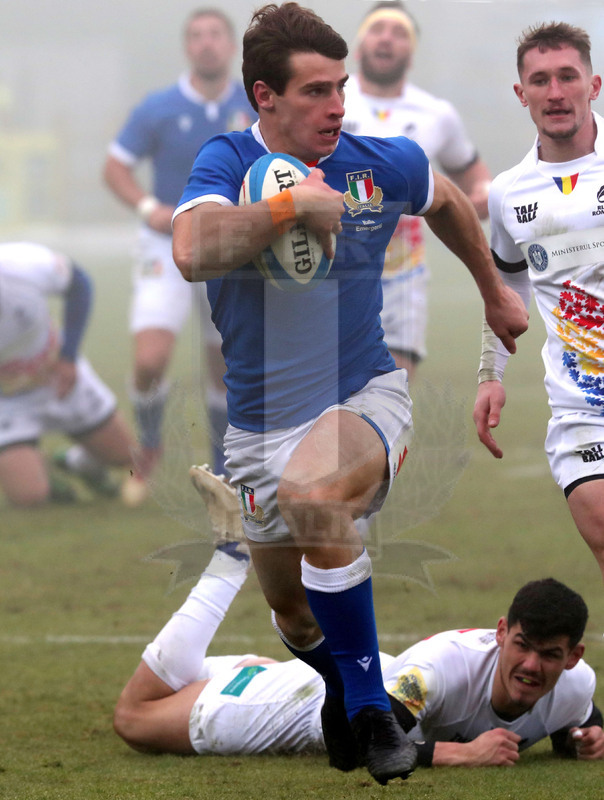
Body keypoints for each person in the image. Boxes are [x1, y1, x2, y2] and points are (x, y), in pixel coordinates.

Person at [171, 2, 528, 785]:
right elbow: (193, 250)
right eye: (314, 92)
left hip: (366, 395)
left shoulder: (377, 162)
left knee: (317, 492)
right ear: (265, 97)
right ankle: (345, 689)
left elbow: (444, 200)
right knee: (292, 611)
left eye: (340, 87)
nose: (337, 106)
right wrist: (289, 207)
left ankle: (371, 711)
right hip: (257, 430)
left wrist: (494, 290)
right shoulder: (227, 162)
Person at [114, 496, 604, 766]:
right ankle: (231, 552)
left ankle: (238, 556)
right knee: (134, 717)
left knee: (177, 684)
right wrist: (460, 753)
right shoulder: (441, 670)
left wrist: (588, 737)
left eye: (550, 655)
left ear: (574, 657)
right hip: (296, 710)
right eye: (523, 647)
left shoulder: (576, 687)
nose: (532, 666)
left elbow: (579, 718)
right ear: (502, 633)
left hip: (315, 679)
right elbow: (364, 740)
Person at [103, 8, 256, 505]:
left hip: (226, 246)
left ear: (230, 45)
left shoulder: (252, 104)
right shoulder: (159, 107)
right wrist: (148, 206)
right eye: (197, 36)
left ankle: (223, 471)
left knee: (223, 365)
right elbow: (115, 167)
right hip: (164, 245)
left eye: (215, 35)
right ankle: (147, 447)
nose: (206, 43)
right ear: (187, 47)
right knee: (150, 358)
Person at [473, 23, 604, 584]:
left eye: (567, 77)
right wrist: (490, 372)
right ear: (521, 94)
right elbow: (507, 286)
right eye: (540, 80)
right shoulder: (508, 192)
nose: (556, 92)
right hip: (581, 403)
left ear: (593, 85)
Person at [343, 1, 492, 378]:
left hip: (401, 276)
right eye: (378, 30)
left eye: (400, 33)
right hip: (333, 267)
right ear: (359, 46)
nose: (387, 39)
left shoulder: (436, 114)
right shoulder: (331, 100)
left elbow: (473, 175)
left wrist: (482, 194)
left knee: (391, 393)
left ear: (411, 54)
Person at [0, 242, 136, 507]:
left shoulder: (21, 264)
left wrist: (68, 357)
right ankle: (44, 480)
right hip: (7, 400)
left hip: (58, 374)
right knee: (30, 497)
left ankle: (75, 462)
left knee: (128, 458)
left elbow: (78, 283)